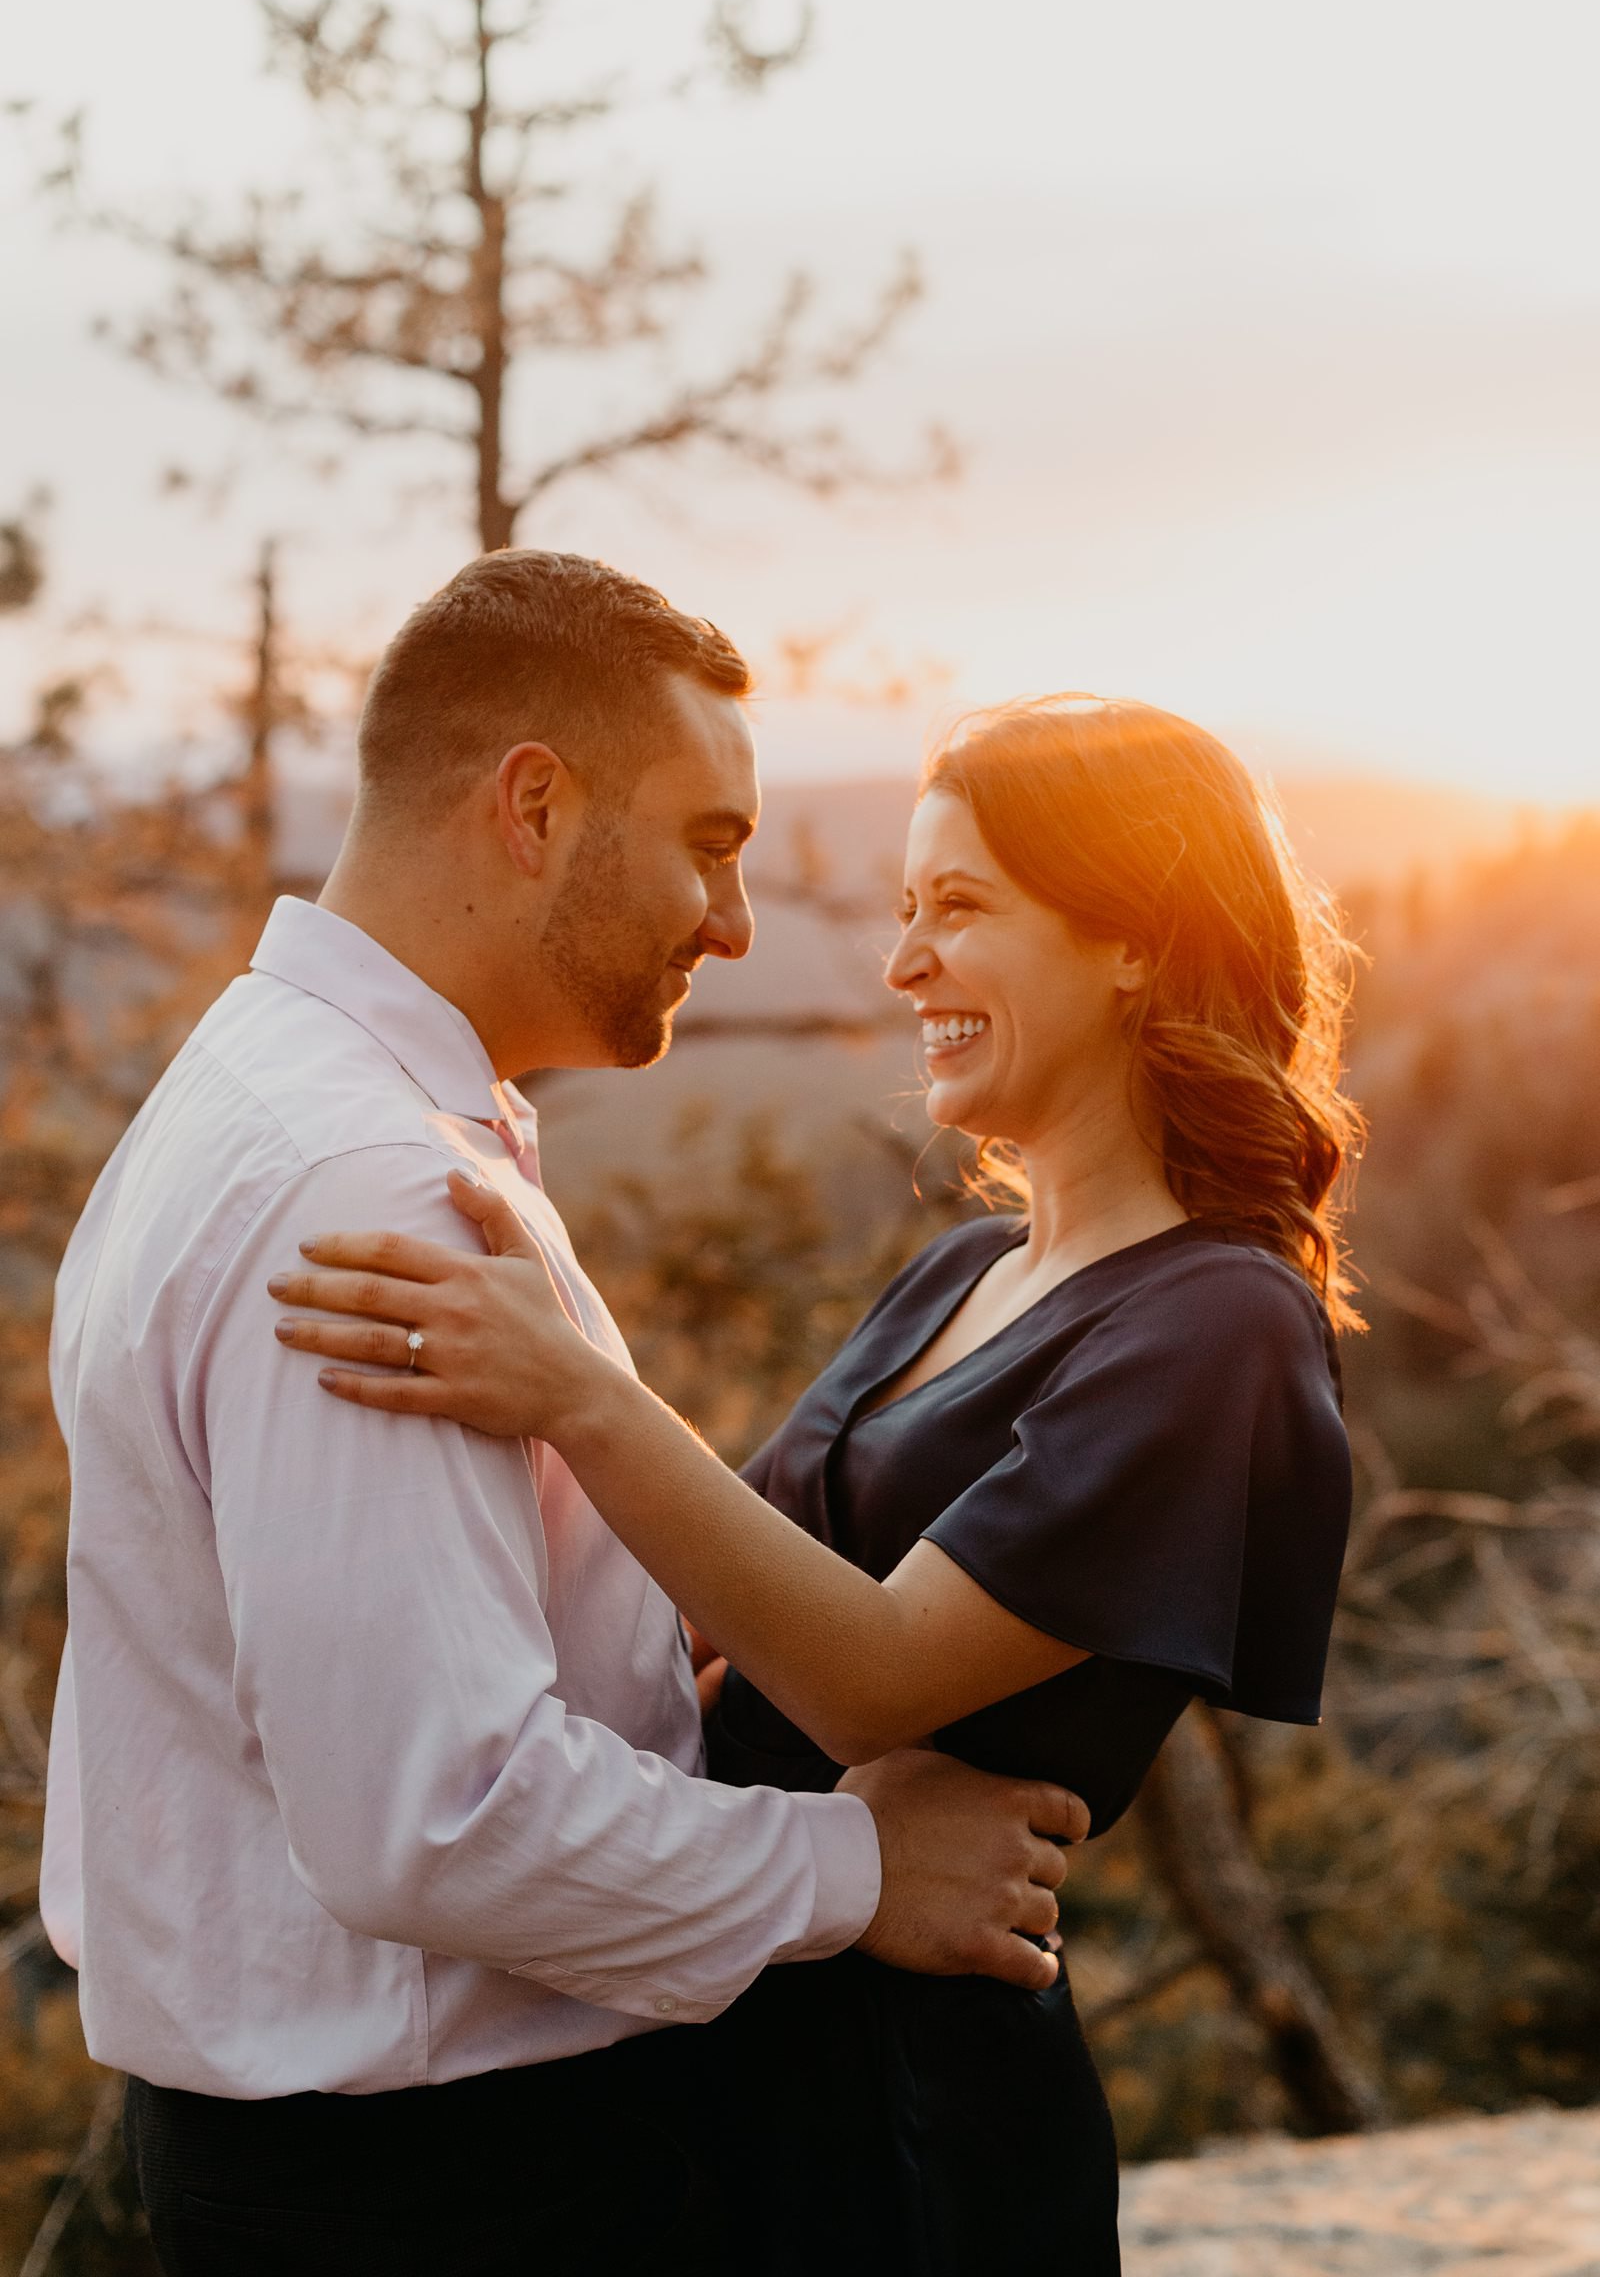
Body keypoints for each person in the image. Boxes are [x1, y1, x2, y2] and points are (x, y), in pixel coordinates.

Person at [40, 553, 1091, 2277]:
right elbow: (436, 1818)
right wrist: (853, 1871)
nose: (736, 922)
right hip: (447, 2191)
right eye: (710, 843)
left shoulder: (278, 1090)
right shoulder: (357, 1182)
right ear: (534, 804)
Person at [271, 690, 1361, 2275]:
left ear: (1136, 939)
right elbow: (712, 1626)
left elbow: (873, 1675)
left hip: (910, 2108)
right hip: (732, 2035)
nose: (903, 963)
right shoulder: (963, 1270)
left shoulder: (1219, 1322)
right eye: (907, 913)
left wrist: (580, 1392)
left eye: (961, 911)